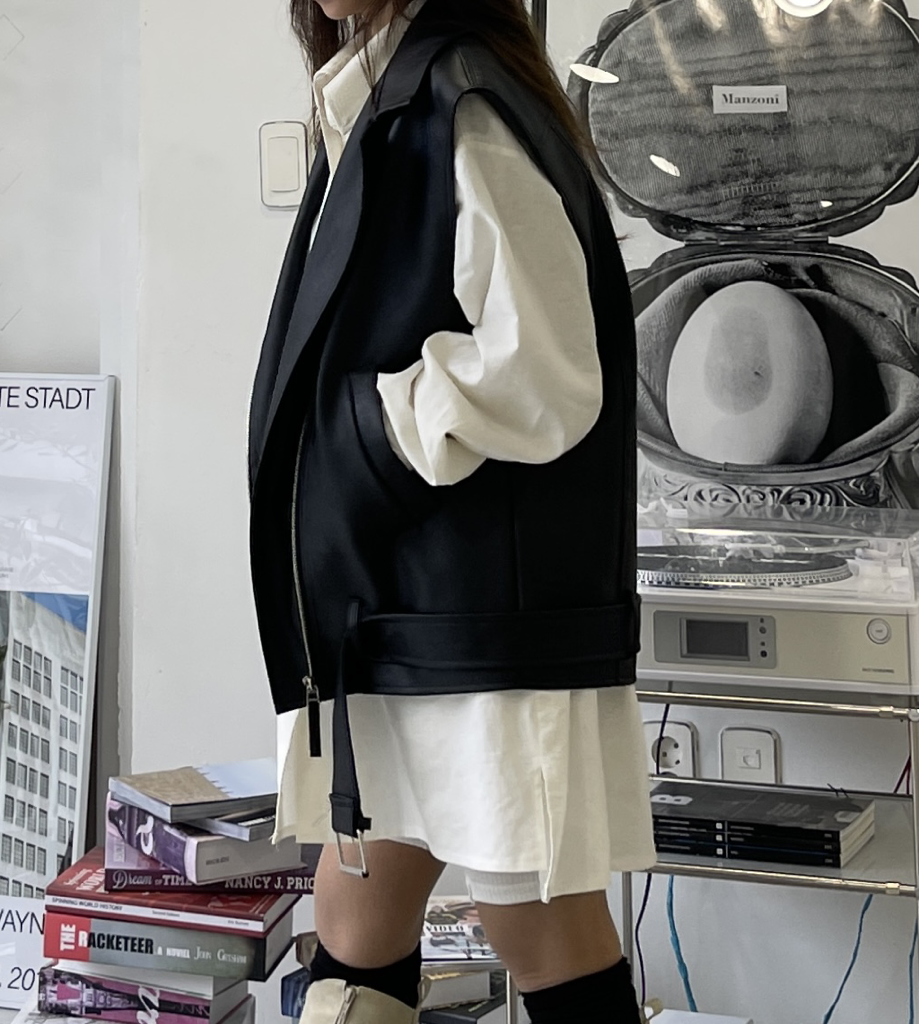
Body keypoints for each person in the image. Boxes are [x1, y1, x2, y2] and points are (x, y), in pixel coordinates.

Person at [247, 1, 655, 1021]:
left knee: (540, 930)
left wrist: (371, 429)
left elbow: (546, 368)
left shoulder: (460, 98)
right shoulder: (387, 95)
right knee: (353, 916)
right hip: (402, 613)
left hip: (477, 630)